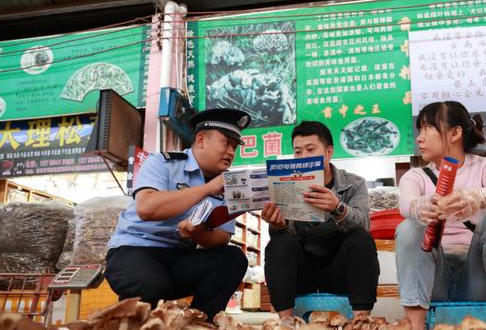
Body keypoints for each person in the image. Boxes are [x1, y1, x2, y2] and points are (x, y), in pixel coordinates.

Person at [395, 101, 486, 330]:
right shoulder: (415, 176)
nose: (419, 138)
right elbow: (406, 204)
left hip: (478, 275)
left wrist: (477, 196)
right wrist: (422, 206)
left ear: (455, 133)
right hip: (435, 278)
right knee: (409, 227)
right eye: (419, 130)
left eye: (428, 129)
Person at [104, 108, 251, 318]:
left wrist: (197, 232)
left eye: (234, 147)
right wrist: (207, 189)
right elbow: (147, 208)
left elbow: (221, 238)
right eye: (226, 143)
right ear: (201, 140)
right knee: (153, 287)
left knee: (233, 259)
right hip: (135, 249)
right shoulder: (162, 163)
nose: (231, 152)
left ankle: (199, 325)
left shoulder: (228, 184)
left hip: (179, 256)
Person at [261, 121, 379, 317]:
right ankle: (286, 325)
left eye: (310, 149)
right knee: (278, 242)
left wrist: (337, 207)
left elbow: (364, 223)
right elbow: (284, 238)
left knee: (361, 239)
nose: (303, 157)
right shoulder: (286, 182)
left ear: (328, 152)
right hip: (302, 271)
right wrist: (279, 225)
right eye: (298, 152)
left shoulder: (354, 183)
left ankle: (361, 323)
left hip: (339, 270)